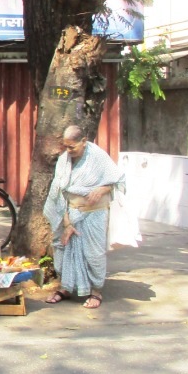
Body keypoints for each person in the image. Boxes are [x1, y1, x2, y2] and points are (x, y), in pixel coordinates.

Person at [43, 125, 125, 309]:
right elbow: (59, 193)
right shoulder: (64, 160)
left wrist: (102, 189)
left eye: (72, 147)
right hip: (70, 212)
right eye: (66, 146)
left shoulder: (98, 157)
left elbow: (118, 179)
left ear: (84, 142)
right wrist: (67, 223)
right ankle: (65, 287)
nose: (68, 150)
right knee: (64, 249)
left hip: (94, 213)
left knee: (93, 253)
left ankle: (96, 291)